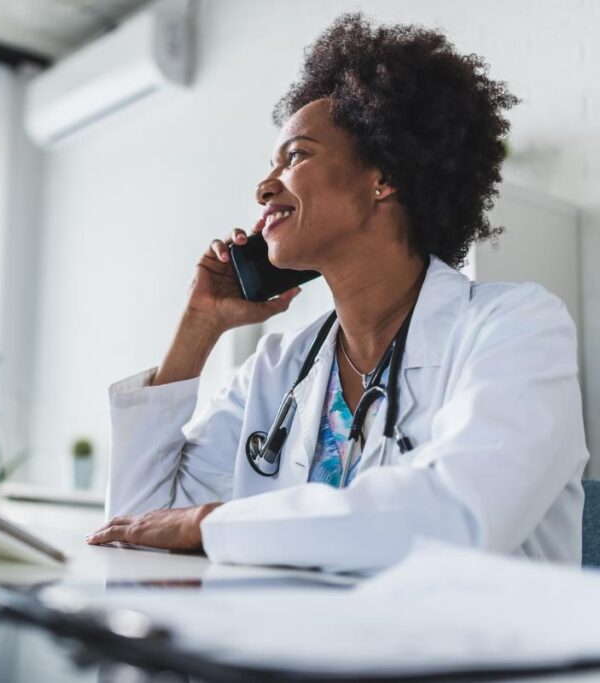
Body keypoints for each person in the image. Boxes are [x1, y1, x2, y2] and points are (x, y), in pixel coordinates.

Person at [87, 14, 589, 572]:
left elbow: (456, 516)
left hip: (475, 652)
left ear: (384, 176)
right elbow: (134, 531)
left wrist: (212, 525)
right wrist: (198, 327)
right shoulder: (280, 368)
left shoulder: (514, 327)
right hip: (299, 649)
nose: (264, 186)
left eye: (295, 156)